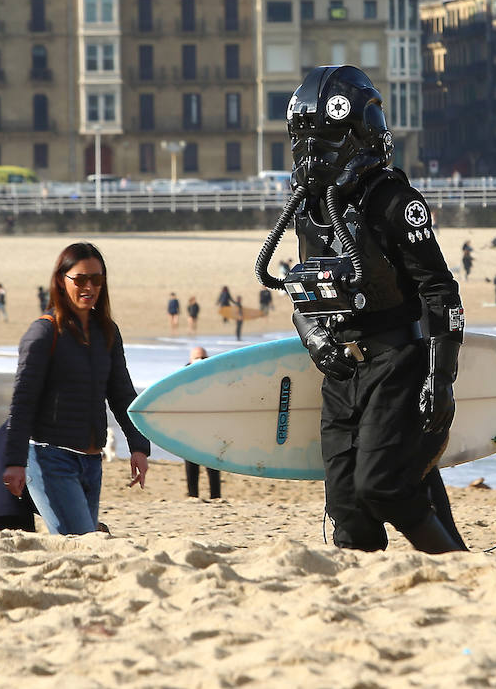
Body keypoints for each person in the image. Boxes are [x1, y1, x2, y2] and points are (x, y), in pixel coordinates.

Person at [255, 64, 467, 553]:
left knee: (382, 487)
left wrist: (440, 377)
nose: (309, 155)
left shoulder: (394, 201)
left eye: (320, 142)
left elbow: (439, 292)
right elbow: (302, 289)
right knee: (347, 509)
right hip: (342, 375)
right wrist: (315, 338)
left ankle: (457, 570)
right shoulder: (310, 209)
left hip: (397, 364)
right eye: (303, 143)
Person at [1, 242, 151, 535]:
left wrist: (139, 446)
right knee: (82, 540)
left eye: (96, 279)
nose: (89, 287)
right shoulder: (44, 332)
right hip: (48, 457)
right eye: (80, 279)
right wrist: (15, 462)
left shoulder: (106, 331)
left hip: (91, 462)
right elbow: (22, 403)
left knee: (80, 542)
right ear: (61, 280)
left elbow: (122, 394)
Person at [183, 347, 222, 500]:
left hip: (210, 427)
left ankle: (216, 496)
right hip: (190, 428)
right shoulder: (182, 377)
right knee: (191, 463)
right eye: (198, 358)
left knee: (213, 464)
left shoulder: (214, 376)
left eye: (204, 358)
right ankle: (193, 496)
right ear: (191, 360)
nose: (201, 362)